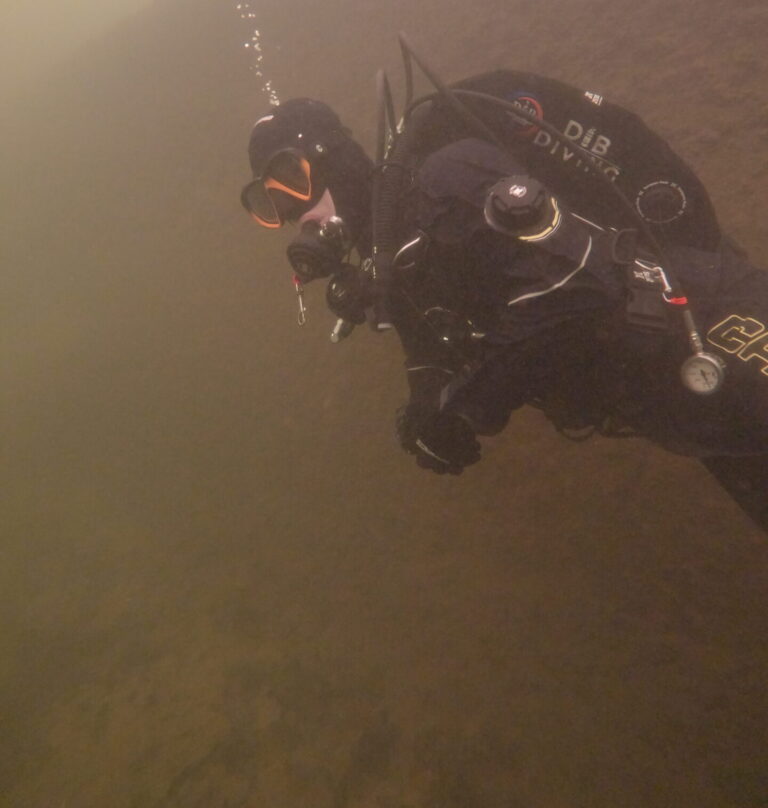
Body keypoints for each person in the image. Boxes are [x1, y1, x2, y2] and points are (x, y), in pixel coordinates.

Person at [240, 62, 768, 532]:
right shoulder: (397, 260)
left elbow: (578, 283)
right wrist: (427, 415)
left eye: (292, 178)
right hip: (677, 406)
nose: (292, 209)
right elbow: (429, 351)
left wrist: (468, 408)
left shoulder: (447, 174)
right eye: (270, 203)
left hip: (711, 321)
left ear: (333, 156)